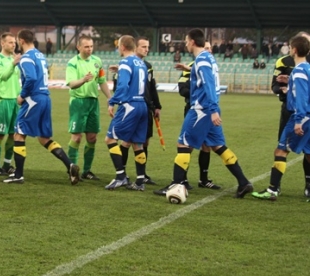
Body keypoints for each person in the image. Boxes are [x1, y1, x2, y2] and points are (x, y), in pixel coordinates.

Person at [167, 28, 253, 198]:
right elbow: (206, 78)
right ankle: (243, 182)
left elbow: (209, 86)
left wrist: (212, 110)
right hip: (209, 108)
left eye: (186, 41)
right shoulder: (208, 58)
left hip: (202, 109)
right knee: (218, 146)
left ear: (192, 41)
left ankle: (176, 186)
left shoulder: (202, 60)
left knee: (183, 144)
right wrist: (188, 68)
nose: (185, 44)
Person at [2, 29, 80, 184]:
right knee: (44, 138)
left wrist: (22, 96)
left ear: (21, 41)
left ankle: (18, 175)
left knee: (18, 134)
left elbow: (30, 78)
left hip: (33, 99)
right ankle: (69, 164)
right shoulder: (40, 56)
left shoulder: (26, 58)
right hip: (45, 98)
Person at [155, 41, 219, 195]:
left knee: (206, 146)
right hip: (194, 109)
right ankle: (181, 180)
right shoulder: (195, 64)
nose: (209, 51)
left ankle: (203, 180)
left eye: (210, 48)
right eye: (206, 48)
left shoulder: (209, 64)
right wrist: (198, 92)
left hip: (207, 109)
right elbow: (183, 89)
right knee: (187, 145)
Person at [252, 35, 310, 201]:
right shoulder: (306, 69)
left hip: (300, 116)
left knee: (281, 150)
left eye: (291, 47)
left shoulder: (298, 71)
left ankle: (273, 189)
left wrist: (298, 120)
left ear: (294, 50)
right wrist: (290, 79)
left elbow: (301, 97)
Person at [103, 36, 149, 190]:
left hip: (130, 106)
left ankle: (120, 176)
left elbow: (122, 86)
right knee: (137, 144)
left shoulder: (125, 62)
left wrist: (112, 101)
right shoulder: (141, 63)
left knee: (110, 139)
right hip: (142, 105)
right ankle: (140, 181)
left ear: (122, 46)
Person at [65, 35, 112, 181]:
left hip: (93, 102)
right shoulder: (73, 63)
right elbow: (71, 83)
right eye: (86, 46)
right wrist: (84, 80)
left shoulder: (97, 61)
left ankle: (87, 171)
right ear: (78, 47)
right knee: (77, 138)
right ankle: (72, 170)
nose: (89, 49)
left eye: (91, 46)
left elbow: (102, 81)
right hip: (78, 102)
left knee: (92, 138)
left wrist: (110, 98)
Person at [0, 33, 21, 176]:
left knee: (12, 135)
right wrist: (13, 63)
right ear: (2, 44)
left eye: (14, 42)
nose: (13, 45)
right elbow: (3, 76)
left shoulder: (15, 60)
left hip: (15, 101)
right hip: (2, 102)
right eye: (10, 42)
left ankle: (7, 165)